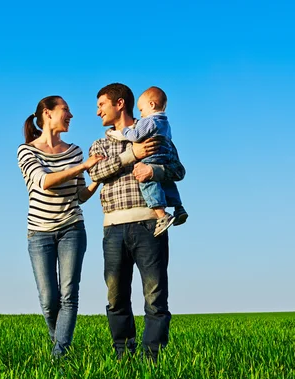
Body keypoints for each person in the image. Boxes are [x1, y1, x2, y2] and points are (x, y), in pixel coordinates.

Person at [88, 83, 186, 362]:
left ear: (120, 104)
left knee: (155, 297)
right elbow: (96, 171)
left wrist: (153, 169)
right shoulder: (100, 144)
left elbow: (178, 170)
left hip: (149, 224)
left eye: (101, 105)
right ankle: (123, 355)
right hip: (113, 228)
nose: (97, 112)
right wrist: (132, 154)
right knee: (115, 297)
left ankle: (153, 359)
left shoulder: (155, 130)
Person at [17, 95, 103, 358]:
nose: (71, 115)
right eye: (65, 110)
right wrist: (84, 165)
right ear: (47, 113)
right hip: (39, 233)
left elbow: (80, 195)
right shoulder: (27, 151)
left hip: (72, 228)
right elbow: (44, 182)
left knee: (69, 295)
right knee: (48, 300)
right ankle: (59, 344)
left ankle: (60, 355)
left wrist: (97, 177)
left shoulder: (75, 151)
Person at [118, 86, 188, 237]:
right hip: (166, 155)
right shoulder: (165, 123)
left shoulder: (148, 121)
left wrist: (125, 130)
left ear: (151, 105)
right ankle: (178, 207)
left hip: (152, 156)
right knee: (166, 182)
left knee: (147, 181)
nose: (141, 114)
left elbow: (136, 136)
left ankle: (161, 215)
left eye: (141, 110)